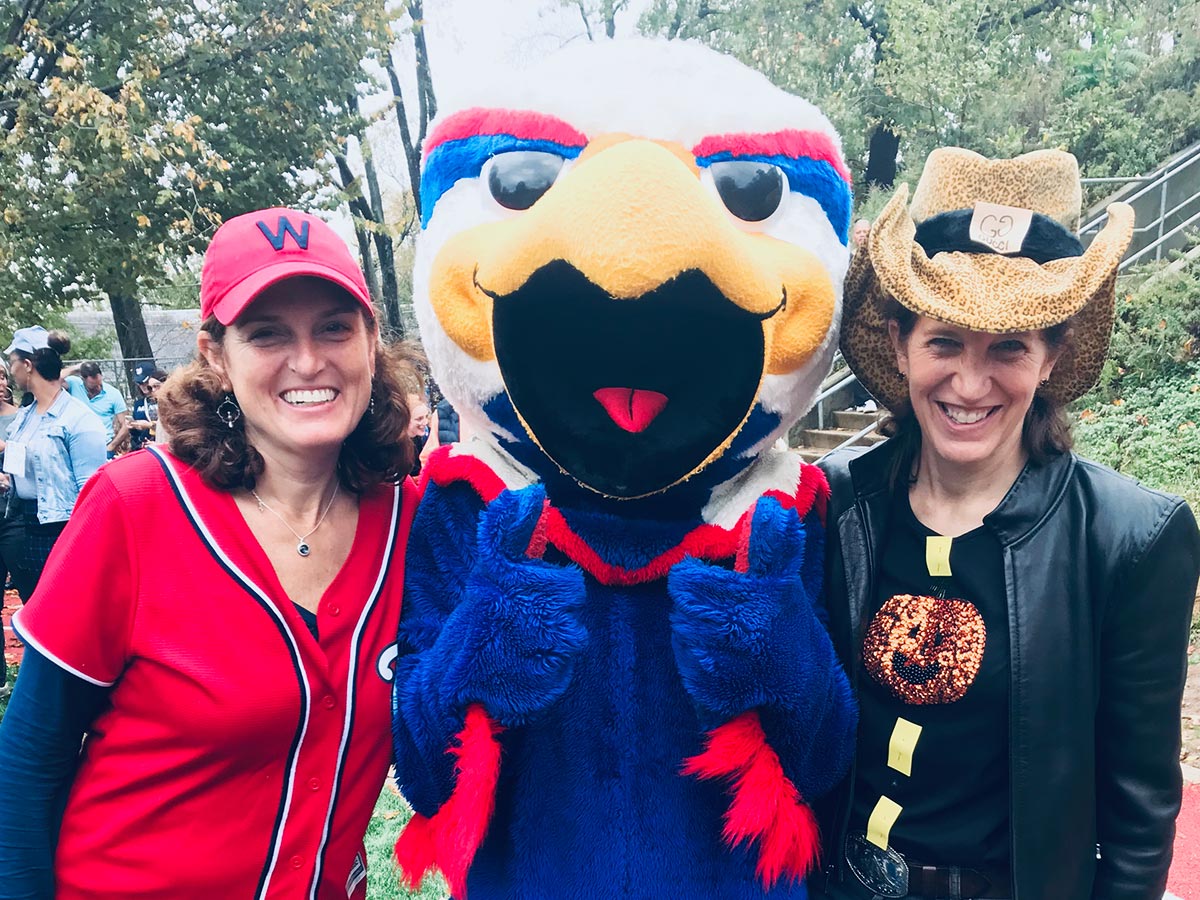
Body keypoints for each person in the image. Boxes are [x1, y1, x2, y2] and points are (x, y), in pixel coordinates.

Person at [0, 207, 421, 899]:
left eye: (334, 327)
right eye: (267, 334)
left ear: (371, 339)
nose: (309, 360)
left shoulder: (414, 519)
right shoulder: (134, 505)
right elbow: (30, 757)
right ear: (215, 355)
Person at [813, 148, 1200, 900]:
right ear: (899, 341)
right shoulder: (835, 508)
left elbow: (1139, 807)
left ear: (1053, 355)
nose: (970, 382)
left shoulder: (1130, 541)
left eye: (1010, 348)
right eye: (945, 341)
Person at [1, 328, 107, 598]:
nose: (11, 371)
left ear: (27, 365)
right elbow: (24, 462)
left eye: (13, 362)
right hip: (25, 526)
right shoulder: (25, 417)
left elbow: (91, 488)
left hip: (61, 532)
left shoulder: (78, 419)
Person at [0, 361, 26, 699]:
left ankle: (39, 673)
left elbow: (26, 461)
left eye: (3, 374)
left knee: (32, 596)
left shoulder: (20, 416)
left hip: (17, 517)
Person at [63, 362, 128, 455]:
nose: (98, 387)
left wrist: (111, 446)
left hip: (103, 445)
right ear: (83, 379)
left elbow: (126, 424)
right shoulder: (74, 384)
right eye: (93, 385)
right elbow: (53, 380)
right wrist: (76, 368)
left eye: (99, 383)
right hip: (77, 445)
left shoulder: (113, 393)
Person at [111, 365, 169, 453]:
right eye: (139, 383)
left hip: (163, 446)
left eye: (155, 386)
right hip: (143, 447)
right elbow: (135, 435)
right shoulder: (139, 404)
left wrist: (149, 425)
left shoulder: (171, 403)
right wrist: (132, 426)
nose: (143, 386)